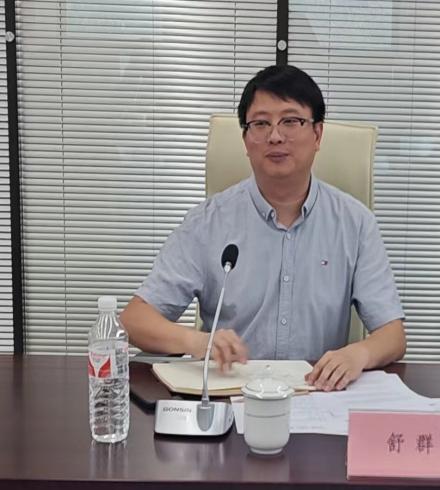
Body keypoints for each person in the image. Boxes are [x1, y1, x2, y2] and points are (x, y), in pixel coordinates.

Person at [121, 65, 406, 391]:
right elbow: (134, 320)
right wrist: (199, 342)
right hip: (230, 396)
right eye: (260, 123)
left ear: (317, 134)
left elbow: (392, 335)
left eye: (291, 121)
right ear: (245, 140)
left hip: (318, 395)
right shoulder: (207, 223)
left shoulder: (355, 223)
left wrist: (359, 354)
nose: (275, 136)